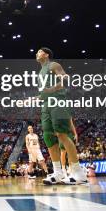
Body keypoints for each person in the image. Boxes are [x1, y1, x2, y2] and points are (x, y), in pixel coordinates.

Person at [36, 48, 87, 185]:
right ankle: (58, 172)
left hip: (58, 100)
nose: (37, 53)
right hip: (46, 104)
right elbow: (44, 92)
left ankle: (78, 172)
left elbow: (65, 79)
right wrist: (34, 98)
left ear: (46, 55)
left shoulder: (53, 65)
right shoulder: (41, 71)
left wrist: (51, 90)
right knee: (48, 136)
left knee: (61, 134)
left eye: (39, 52)